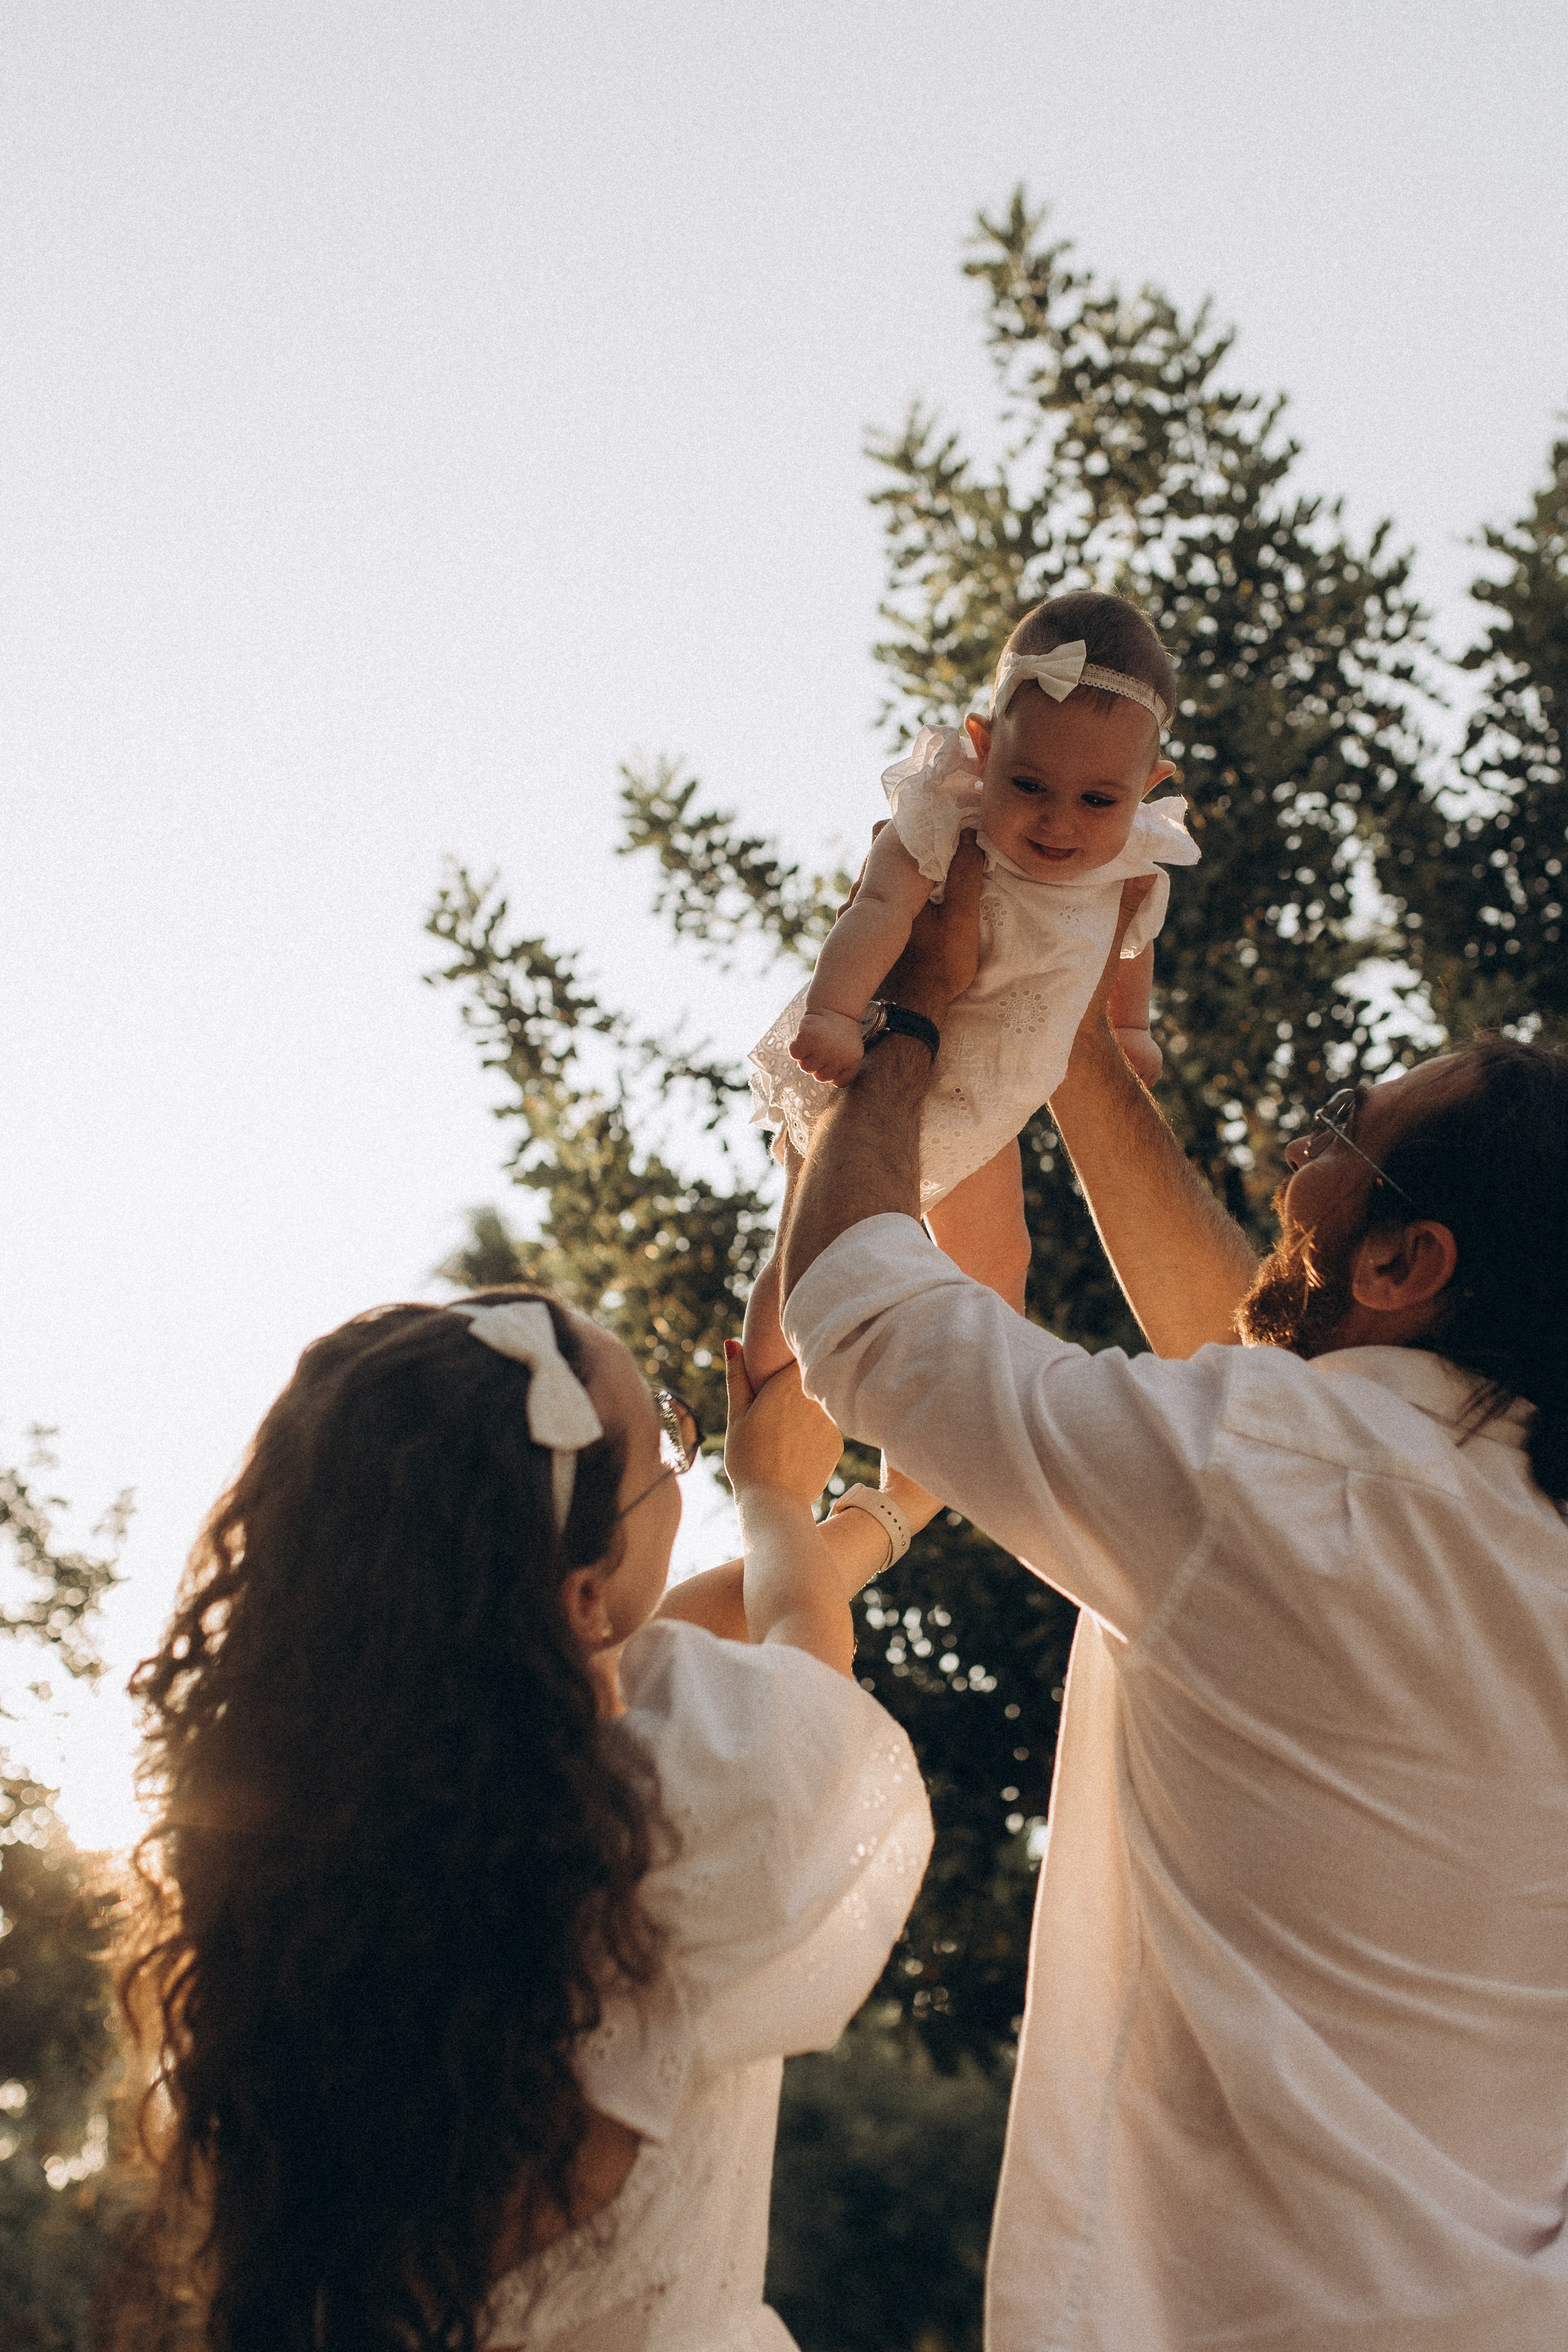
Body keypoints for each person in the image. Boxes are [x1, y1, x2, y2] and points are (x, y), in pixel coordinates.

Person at [778, 843, 1568, 2352]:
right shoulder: (1409, 1498)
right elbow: (1270, 1406)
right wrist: (1073, 1053)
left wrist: (912, 1020)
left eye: (1339, 1133)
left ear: (1405, 1260)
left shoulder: (1264, 1479)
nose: (1289, 1164)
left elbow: (859, 1308)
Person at [115, 1291, 932, 2352]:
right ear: (584, 1597)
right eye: (670, 1454)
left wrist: (886, 1515)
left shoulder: (347, 1880)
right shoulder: (643, 1840)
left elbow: (718, 1625)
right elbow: (804, 1677)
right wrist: (772, 1492)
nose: (684, 1464)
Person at [743, 589, 1197, 1402]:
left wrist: (1129, 1028)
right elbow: (876, 912)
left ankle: (927, 1456)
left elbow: (1132, 944)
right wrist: (834, 1015)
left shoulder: (1131, 859)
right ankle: (764, 1398)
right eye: (1029, 785)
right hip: (881, 1061)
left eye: (1098, 800)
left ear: (1147, 784)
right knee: (813, 1258)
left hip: (987, 1096)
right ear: (983, 749)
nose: (1059, 822)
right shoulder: (944, 824)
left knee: (994, 1267)